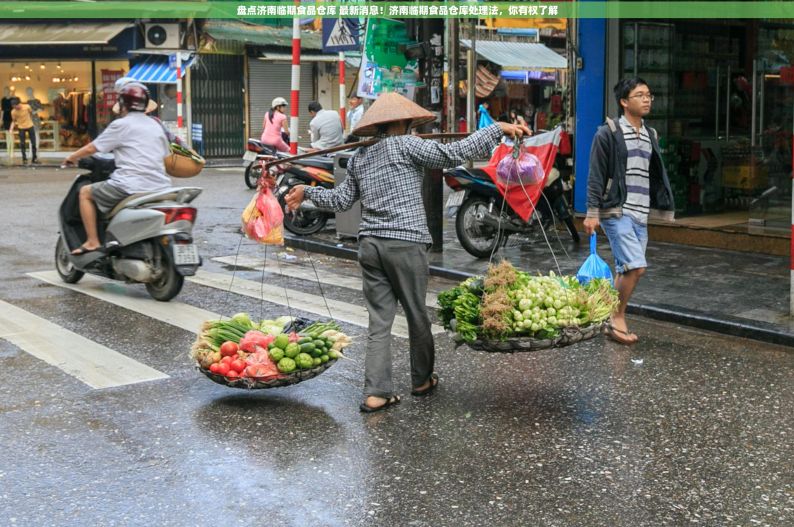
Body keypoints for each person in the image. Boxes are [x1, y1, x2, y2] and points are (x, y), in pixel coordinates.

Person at [285, 92, 530, 412]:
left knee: (379, 322)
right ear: (400, 123)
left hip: (370, 246)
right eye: (409, 123)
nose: (412, 127)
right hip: (405, 242)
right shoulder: (407, 145)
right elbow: (454, 153)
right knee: (416, 315)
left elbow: (340, 201)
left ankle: (376, 392)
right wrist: (496, 128)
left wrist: (308, 191)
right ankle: (421, 380)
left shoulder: (360, 157)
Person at [583, 77, 675, 345]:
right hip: (616, 211)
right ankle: (616, 317)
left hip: (641, 213)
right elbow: (596, 175)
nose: (646, 99)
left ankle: (605, 315)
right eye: (639, 95)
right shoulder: (608, 133)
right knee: (636, 267)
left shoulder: (651, 135)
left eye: (649, 95)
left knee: (626, 269)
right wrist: (592, 212)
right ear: (624, 102)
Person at [63, 82, 171, 255]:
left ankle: (92, 241)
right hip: (161, 186)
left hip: (130, 185)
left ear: (123, 104)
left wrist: (71, 157)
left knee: (85, 192)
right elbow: (165, 155)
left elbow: (93, 148)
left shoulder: (121, 125)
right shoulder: (156, 125)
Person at [9, 97, 38, 164]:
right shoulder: (13, 112)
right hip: (21, 127)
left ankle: (34, 158)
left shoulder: (27, 107)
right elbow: (13, 121)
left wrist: (30, 120)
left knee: (33, 143)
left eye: (16, 106)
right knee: (22, 143)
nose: (15, 108)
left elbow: (31, 113)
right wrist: (11, 129)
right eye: (13, 107)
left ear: (19, 104)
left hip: (30, 126)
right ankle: (24, 159)